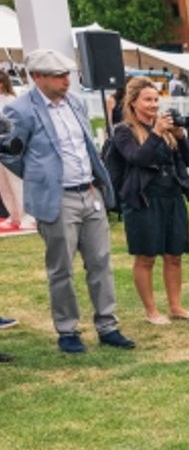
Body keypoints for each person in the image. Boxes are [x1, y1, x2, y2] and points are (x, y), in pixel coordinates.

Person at [0, 48, 135, 353]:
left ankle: (108, 325)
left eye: (67, 75)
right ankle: (67, 330)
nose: (66, 81)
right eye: (58, 76)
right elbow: (9, 152)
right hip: (57, 198)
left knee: (101, 263)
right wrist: (40, 178)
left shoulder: (75, 102)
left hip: (89, 191)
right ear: (37, 77)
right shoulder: (20, 110)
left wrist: (96, 183)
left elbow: (85, 145)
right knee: (61, 269)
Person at [112, 76, 189, 325]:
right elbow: (138, 158)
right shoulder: (124, 131)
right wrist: (157, 133)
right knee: (146, 257)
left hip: (172, 196)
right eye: (147, 100)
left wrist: (180, 136)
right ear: (133, 102)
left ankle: (176, 307)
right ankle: (151, 311)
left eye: (155, 99)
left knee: (174, 255)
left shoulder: (166, 128)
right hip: (143, 200)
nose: (153, 105)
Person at [0, 70, 33, 230]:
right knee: (4, 185)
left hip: (10, 149)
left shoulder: (10, 102)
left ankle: (27, 215)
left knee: (16, 183)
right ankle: (14, 215)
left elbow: (13, 127)